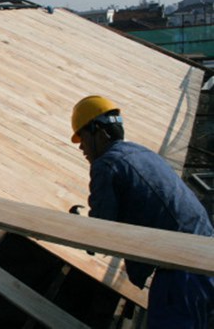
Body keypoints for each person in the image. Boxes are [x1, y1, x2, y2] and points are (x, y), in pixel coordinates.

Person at [70, 95, 214, 329]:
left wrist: (78, 228)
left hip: (180, 274)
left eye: (83, 137)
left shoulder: (106, 164)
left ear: (100, 132)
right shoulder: (141, 153)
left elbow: (99, 232)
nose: (81, 147)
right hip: (205, 258)